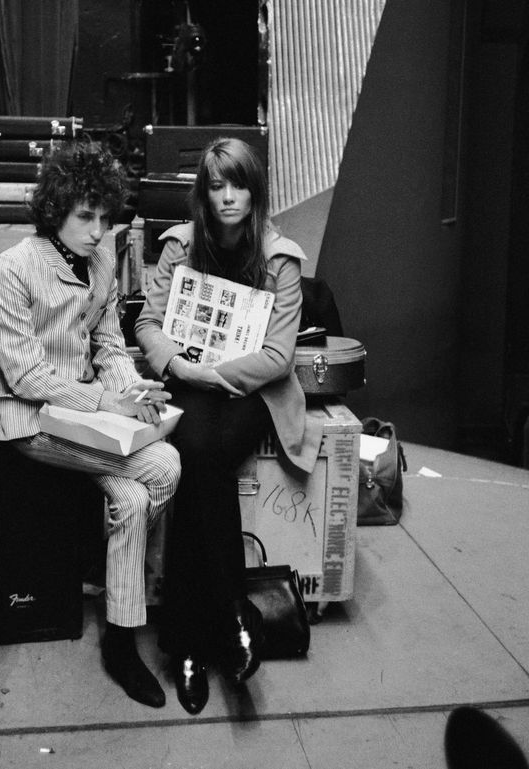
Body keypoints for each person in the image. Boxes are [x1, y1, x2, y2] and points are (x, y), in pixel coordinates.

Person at [0, 142, 181, 709]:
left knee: (136, 501)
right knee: (164, 465)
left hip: (91, 416)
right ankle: (110, 581)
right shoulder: (15, 269)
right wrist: (109, 404)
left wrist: (130, 388)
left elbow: (108, 341)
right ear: (55, 212)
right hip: (34, 421)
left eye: (105, 218)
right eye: (85, 218)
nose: (98, 232)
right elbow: (27, 378)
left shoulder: (100, 262)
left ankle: (120, 639)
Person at [135, 137, 323, 715]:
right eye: (216, 186)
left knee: (207, 455)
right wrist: (184, 366)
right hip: (190, 381)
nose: (227, 197)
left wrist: (215, 373)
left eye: (238, 184)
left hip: (253, 389)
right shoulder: (179, 246)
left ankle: (185, 645)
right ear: (203, 193)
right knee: (195, 451)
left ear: (255, 190)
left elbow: (279, 355)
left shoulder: (279, 257)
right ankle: (234, 615)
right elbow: (147, 322)